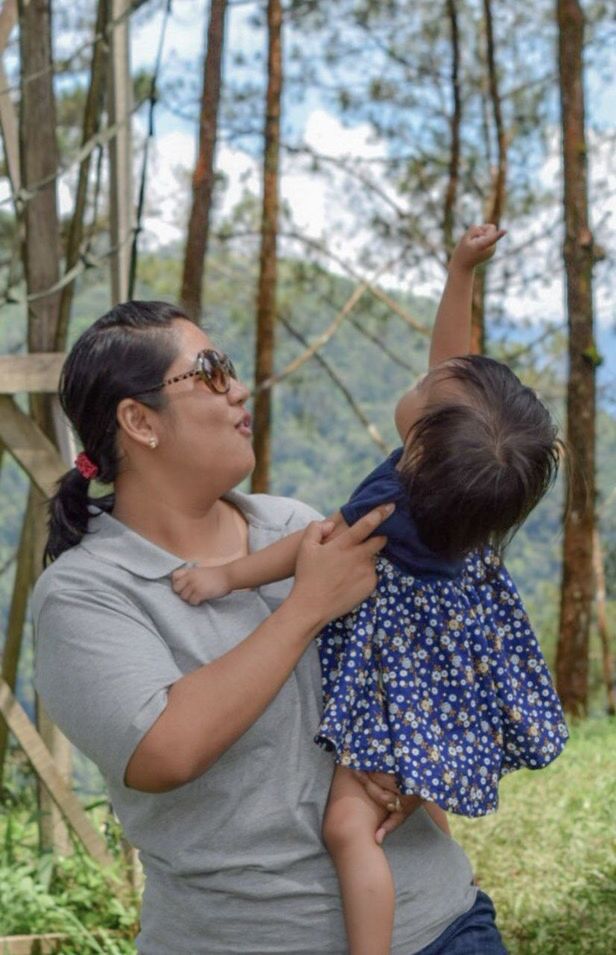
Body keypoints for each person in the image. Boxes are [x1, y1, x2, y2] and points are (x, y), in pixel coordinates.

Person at [32, 306, 508, 954]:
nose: (237, 387)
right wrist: (305, 606)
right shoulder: (84, 592)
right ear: (139, 421)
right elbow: (164, 748)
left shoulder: (293, 525)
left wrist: (421, 796)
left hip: (441, 926)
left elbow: (401, 662)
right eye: (209, 371)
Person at [171, 225, 569, 955]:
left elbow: (308, 547)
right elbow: (455, 366)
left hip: (402, 700)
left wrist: (225, 574)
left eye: (422, 392)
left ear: (418, 444)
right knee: (408, 815)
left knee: (351, 826)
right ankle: (443, 895)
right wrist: (460, 274)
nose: (420, 378)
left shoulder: (393, 505)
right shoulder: (468, 505)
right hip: (458, 698)